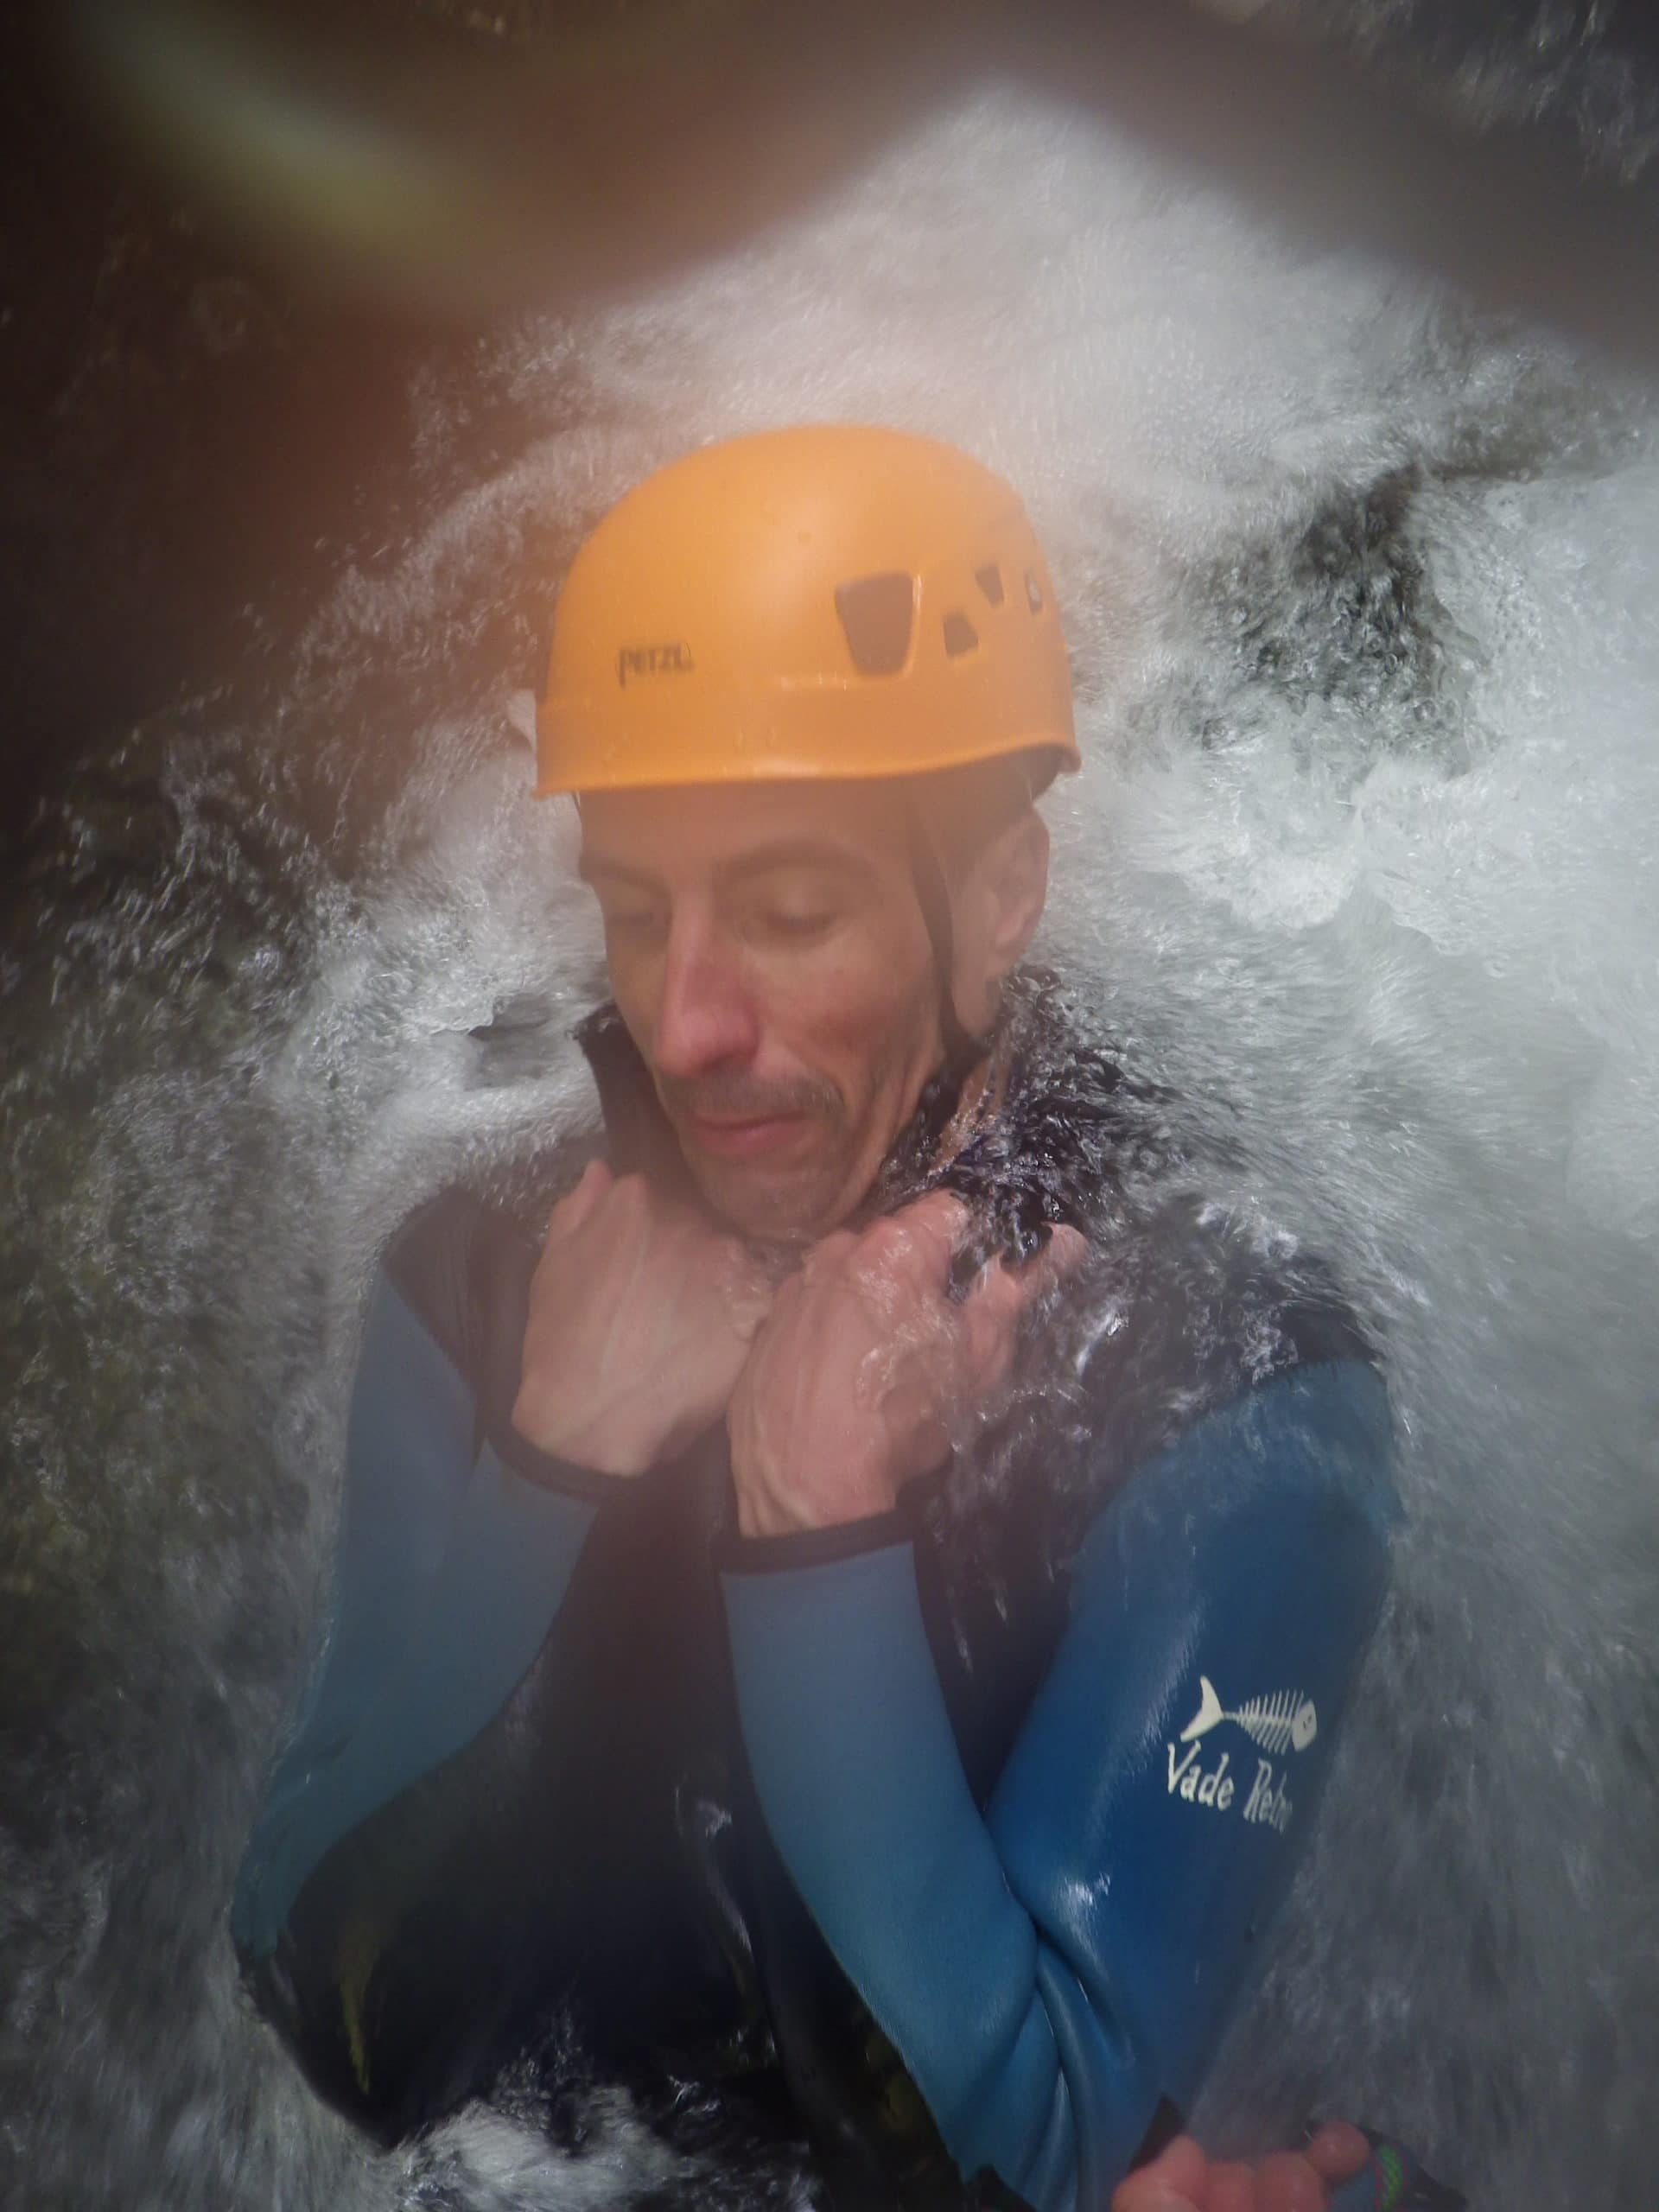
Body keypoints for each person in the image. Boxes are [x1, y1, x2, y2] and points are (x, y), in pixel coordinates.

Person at [233, 427, 1403, 2212]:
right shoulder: (488, 1277)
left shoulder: (1222, 1374)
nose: (685, 1024)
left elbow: (1014, 2165)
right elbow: (356, 2023)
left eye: (789, 912)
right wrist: (552, 1461)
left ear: (994, 903)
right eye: (637, 913)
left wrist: (819, 1535)